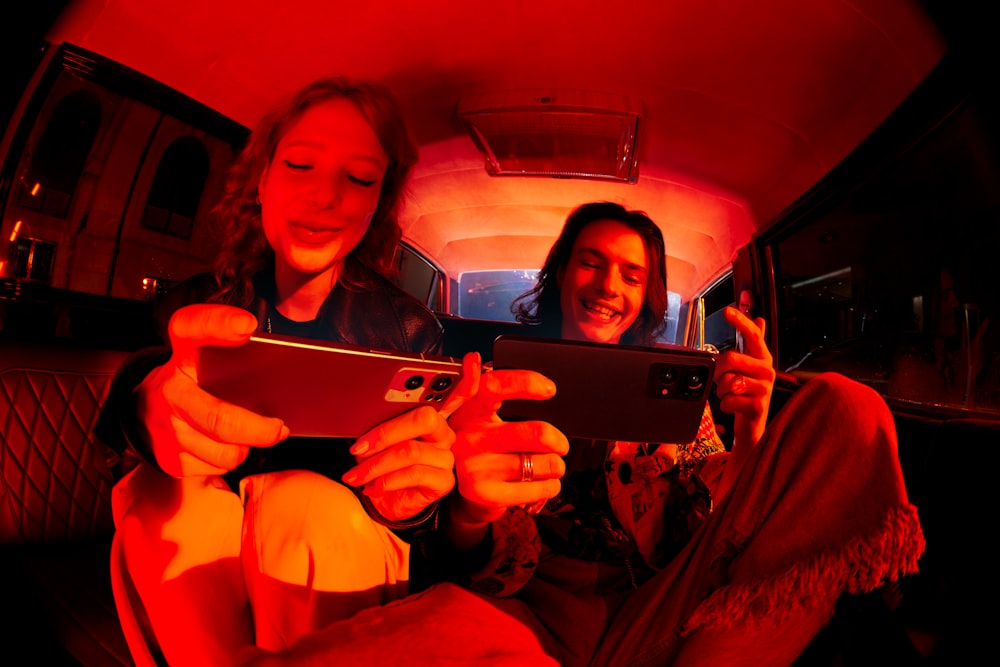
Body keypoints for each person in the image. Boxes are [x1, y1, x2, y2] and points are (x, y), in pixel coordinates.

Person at [431, 201, 926, 666]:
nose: (608, 286)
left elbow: (725, 519)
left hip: (661, 610)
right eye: (590, 263)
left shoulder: (674, 391)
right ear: (560, 271)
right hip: (531, 616)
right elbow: (470, 556)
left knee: (847, 405)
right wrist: (469, 508)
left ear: (644, 295)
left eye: (631, 275)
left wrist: (751, 422)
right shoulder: (496, 387)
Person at [95, 74, 480, 666]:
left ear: (377, 201)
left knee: (304, 506)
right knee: (162, 497)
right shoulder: (193, 304)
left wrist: (417, 498)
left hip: (332, 547)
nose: (325, 197)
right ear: (263, 178)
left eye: (358, 178)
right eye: (301, 165)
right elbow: (127, 429)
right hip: (201, 561)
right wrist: (144, 405)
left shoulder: (409, 331)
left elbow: (415, 510)